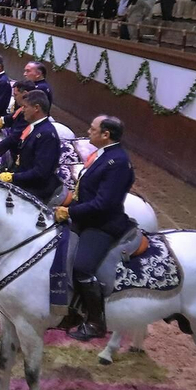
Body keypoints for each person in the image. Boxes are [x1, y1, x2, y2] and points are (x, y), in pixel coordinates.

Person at [58, 115, 137, 342]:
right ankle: (69, 308)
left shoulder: (118, 162)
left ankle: (95, 321)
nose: (88, 131)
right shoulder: (103, 155)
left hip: (103, 224)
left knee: (82, 267)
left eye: (93, 129)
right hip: (86, 218)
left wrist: (70, 212)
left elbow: (103, 204)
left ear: (106, 135)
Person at [0, 90, 62, 206]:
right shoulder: (36, 128)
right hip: (23, 179)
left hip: (35, 188)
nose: (22, 111)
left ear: (36, 108)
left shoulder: (46, 134)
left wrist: (13, 177)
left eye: (25, 107)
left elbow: (41, 172)